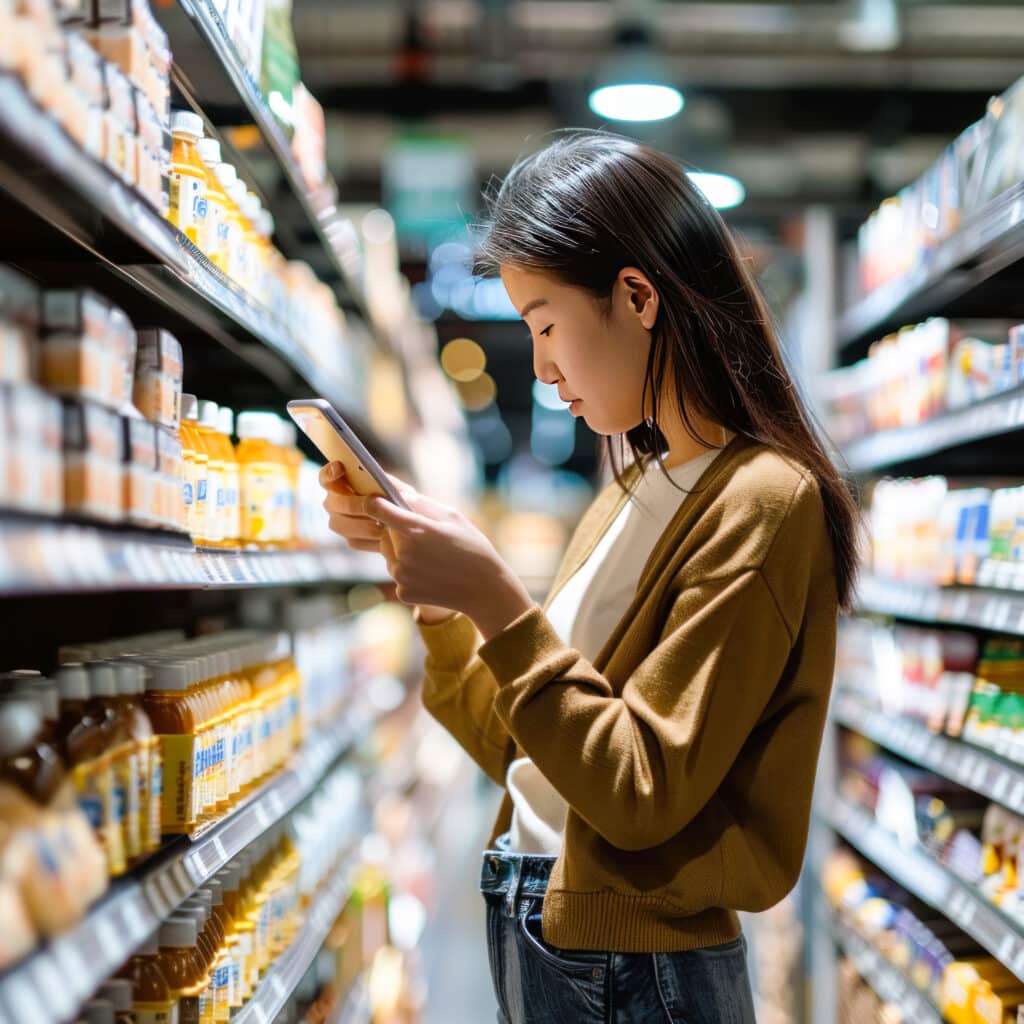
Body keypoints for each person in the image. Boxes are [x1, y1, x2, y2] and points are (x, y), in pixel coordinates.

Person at [319, 130, 859, 1024]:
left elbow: (639, 791)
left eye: (544, 322)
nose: (540, 365)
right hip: (556, 939)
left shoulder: (764, 503)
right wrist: (441, 591)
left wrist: (495, 596)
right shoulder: (634, 488)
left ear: (637, 296)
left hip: (639, 974)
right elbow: (526, 746)